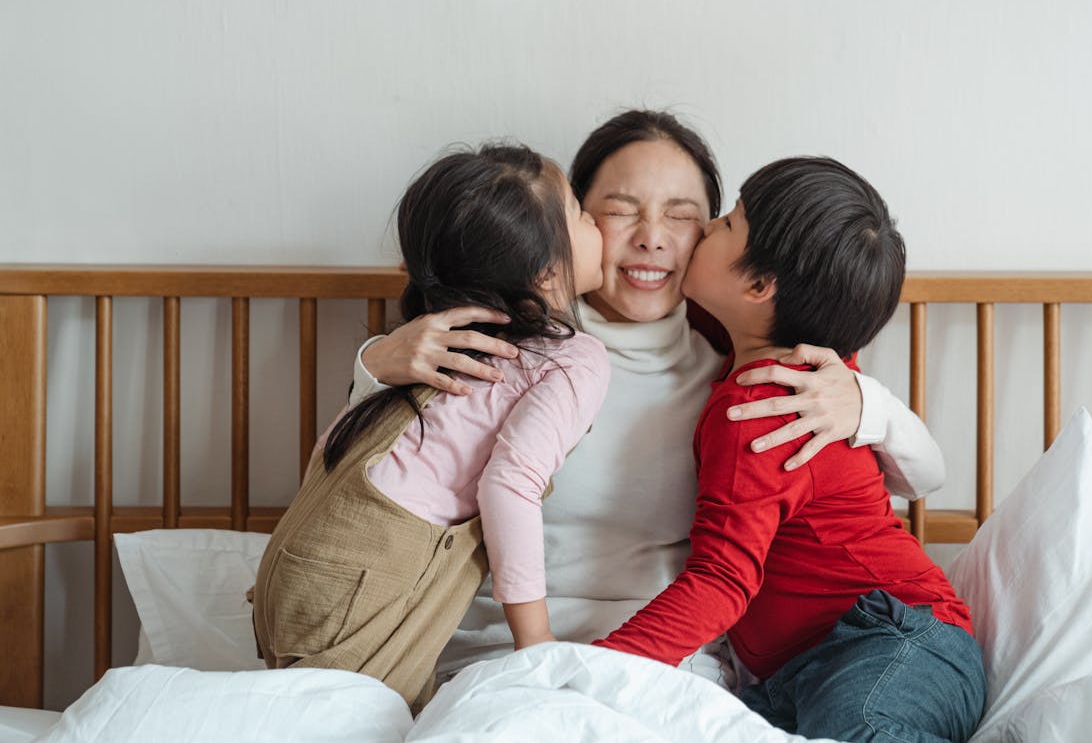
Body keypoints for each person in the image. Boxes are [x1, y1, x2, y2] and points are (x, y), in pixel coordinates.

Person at [350, 110, 946, 683]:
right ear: (571, 223)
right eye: (619, 210)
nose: (652, 239)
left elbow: (912, 481)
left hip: (664, 662)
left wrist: (868, 403)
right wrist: (376, 365)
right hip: (500, 651)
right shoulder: (508, 343)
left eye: (683, 216)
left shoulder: (757, 377)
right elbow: (367, 490)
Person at [595, 156, 985, 742]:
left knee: (864, 729)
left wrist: (593, 669)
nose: (700, 230)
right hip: (799, 673)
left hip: (897, 638)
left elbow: (721, 579)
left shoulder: (768, 406)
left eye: (725, 223)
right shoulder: (799, 347)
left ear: (757, 286)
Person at [251, 143, 610, 712]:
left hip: (292, 571)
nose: (596, 220)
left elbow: (341, 452)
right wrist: (534, 639)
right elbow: (509, 484)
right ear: (544, 270)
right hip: (367, 582)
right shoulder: (574, 359)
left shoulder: (435, 341)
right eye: (579, 212)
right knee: (362, 719)